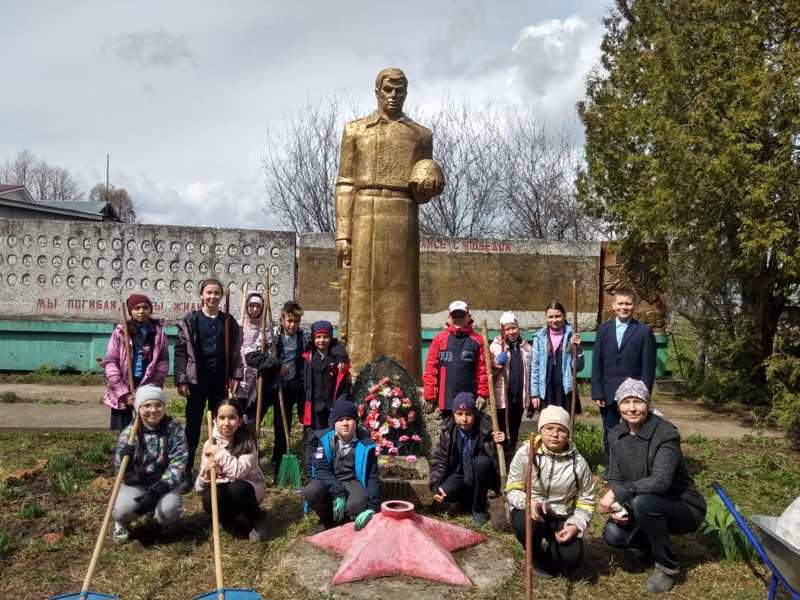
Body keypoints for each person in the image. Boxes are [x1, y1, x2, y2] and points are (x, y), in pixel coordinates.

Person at [335, 67, 445, 381]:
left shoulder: (420, 135)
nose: (393, 96)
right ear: (377, 92)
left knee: (402, 297)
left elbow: (422, 188)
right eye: (387, 90)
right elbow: (344, 183)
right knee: (362, 294)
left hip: (402, 214)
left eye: (399, 91)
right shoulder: (356, 130)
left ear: (406, 93)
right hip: (364, 212)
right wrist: (343, 233)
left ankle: (403, 377)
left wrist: (430, 183)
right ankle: (359, 374)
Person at [598, 378, 706, 593]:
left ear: (647, 403)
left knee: (644, 503)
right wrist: (620, 506)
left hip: (683, 506)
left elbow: (660, 481)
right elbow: (615, 476)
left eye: (637, 401)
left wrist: (616, 494)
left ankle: (668, 566)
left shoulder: (665, 434)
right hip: (641, 501)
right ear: (618, 405)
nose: (631, 408)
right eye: (626, 402)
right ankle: (651, 547)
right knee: (613, 533)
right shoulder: (615, 435)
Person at [505, 406, 595, 578]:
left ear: (568, 433)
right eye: (549, 428)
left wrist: (576, 524)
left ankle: (554, 548)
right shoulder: (526, 453)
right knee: (523, 524)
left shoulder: (578, 463)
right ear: (540, 430)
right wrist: (527, 502)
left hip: (562, 515)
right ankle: (536, 556)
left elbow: (586, 500)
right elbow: (513, 488)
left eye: (561, 430)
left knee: (571, 561)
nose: (555, 434)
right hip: (534, 512)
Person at [174, 278, 243, 492]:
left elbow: (235, 351)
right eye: (208, 293)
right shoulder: (191, 320)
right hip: (196, 380)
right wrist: (181, 378)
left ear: (221, 296)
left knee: (220, 425)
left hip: (219, 379)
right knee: (193, 425)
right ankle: (186, 470)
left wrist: (235, 374)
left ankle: (219, 467)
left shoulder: (228, 321)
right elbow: (181, 351)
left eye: (216, 293)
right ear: (201, 295)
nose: (212, 297)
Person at [111, 385, 188, 542]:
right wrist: (125, 460)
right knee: (122, 510)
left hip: (164, 483)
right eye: (147, 405)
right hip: (137, 483)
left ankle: (165, 521)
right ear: (138, 408)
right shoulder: (129, 433)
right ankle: (121, 523)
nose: (153, 410)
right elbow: (119, 470)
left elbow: (178, 465)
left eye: (158, 405)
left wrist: (157, 491)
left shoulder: (174, 430)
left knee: (168, 511)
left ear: (164, 407)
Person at [591, 287, 656, 467]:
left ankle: (633, 467)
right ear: (614, 305)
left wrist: (644, 396)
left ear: (634, 306)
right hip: (608, 392)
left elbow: (648, 368)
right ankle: (612, 467)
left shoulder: (643, 332)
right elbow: (597, 363)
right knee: (610, 431)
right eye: (620, 303)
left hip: (633, 395)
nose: (624, 307)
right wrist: (597, 392)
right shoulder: (604, 330)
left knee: (633, 431)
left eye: (628, 303)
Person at [245, 301, 311, 473]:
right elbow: (250, 356)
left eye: (296, 321)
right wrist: (275, 365)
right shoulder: (270, 335)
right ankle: (249, 458)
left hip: (288, 389)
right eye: (289, 321)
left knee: (283, 429)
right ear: (282, 319)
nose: (292, 325)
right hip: (266, 387)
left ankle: (278, 465)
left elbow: (326, 344)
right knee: (252, 423)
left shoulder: (304, 338)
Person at [195, 398, 268, 542]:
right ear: (215, 420)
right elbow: (198, 487)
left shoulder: (248, 443)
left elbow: (239, 472)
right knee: (209, 497)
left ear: (240, 421)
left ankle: (256, 519)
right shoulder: (209, 444)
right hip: (224, 493)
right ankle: (229, 522)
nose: (226, 423)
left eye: (232, 418)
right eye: (222, 418)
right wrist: (206, 476)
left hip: (248, 489)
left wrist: (219, 452)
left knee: (237, 488)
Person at [428, 392, 505, 525]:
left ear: (474, 414)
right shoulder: (448, 431)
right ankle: (467, 501)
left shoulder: (486, 428)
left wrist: (502, 441)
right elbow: (439, 459)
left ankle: (479, 508)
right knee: (445, 492)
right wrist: (435, 485)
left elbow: (500, 455)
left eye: (468, 414)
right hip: (459, 474)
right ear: (453, 414)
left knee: (482, 463)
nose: (464, 419)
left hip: (482, 475)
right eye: (459, 414)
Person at [302, 401, 379, 530]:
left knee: (356, 505)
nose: (344, 423)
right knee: (311, 491)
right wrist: (338, 493)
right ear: (334, 424)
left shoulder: (366, 444)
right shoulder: (325, 440)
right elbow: (321, 469)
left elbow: (373, 476)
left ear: (356, 422)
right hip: (331, 480)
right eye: (340, 420)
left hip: (353, 482)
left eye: (349, 419)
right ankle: (327, 521)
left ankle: (344, 522)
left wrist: (373, 508)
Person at [102, 293, 169, 431]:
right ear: (130, 311)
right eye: (137, 308)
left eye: (145, 307)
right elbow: (111, 362)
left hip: (148, 384)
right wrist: (124, 393)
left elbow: (163, 362)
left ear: (151, 310)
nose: (141, 311)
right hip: (123, 386)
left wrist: (150, 388)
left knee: (147, 429)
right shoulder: (120, 333)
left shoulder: (158, 333)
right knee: (123, 433)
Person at [423, 300, 489, 418]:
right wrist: (430, 396)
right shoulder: (439, 339)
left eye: (462, 315)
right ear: (449, 317)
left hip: (469, 401)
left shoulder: (478, 340)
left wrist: (483, 395)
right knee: (447, 435)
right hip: (445, 401)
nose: (458, 318)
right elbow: (430, 369)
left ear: (468, 317)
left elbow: (484, 370)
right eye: (455, 315)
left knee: (469, 435)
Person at [301, 320, 351, 474]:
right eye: (318, 337)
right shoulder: (307, 356)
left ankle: (328, 470)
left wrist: (339, 404)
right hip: (313, 407)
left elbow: (344, 385)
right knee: (312, 439)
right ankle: (311, 472)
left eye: (325, 337)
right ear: (313, 339)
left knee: (329, 440)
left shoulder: (336, 358)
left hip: (330, 407)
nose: (321, 340)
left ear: (330, 338)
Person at [490, 311, 532, 461]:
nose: (511, 332)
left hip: (519, 398)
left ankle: (510, 461)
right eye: (507, 329)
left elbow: (529, 373)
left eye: (513, 328)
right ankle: (499, 461)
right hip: (502, 399)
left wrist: (530, 399)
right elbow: (489, 375)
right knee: (501, 430)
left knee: (514, 430)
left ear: (518, 327)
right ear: (502, 331)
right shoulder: (495, 347)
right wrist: (495, 364)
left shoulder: (526, 348)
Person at [529, 301, 584, 414]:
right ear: (546, 318)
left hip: (565, 388)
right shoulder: (539, 337)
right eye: (550, 317)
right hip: (546, 389)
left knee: (565, 424)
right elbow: (535, 367)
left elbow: (578, 367)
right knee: (548, 424)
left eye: (558, 316)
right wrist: (534, 393)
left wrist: (578, 349)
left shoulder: (571, 335)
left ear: (564, 316)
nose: (554, 320)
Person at [236, 291, 264, 411]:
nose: (255, 309)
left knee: (253, 406)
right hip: (241, 369)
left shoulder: (265, 327)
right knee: (238, 404)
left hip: (257, 371)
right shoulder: (239, 324)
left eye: (258, 306)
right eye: (252, 306)